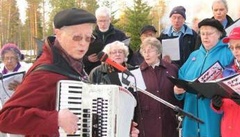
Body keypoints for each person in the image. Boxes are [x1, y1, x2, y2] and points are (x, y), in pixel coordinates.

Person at [0, 8, 139, 137]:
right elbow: (5, 118)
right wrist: (55, 119)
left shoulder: (72, 64)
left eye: (88, 38)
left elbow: (84, 115)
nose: (84, 44)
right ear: (58, 34)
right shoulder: (45, 73)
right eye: (77, 37)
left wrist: (118, 126)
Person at [173, 18, 233, 137]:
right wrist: (178, 91)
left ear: (219, 35)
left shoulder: (228, 54)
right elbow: (182, 77)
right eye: (203, 33)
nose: (205, 37)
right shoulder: (194, 55)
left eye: (209, 33)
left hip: (214, 114)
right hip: (191, 113)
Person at [135, 37, 181, 137]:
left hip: (168, 122)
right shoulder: (137, 73)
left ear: (158, 53)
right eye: (144, 51)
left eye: (150, 51)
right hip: (146, 124)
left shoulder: (172, 69)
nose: (146, 54)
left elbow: (179, 95)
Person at [83, 6, 128, 74]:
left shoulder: (120, 35)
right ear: (96, 20)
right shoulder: (88, 35)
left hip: (114, 72)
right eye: (100, 21)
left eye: (105, 21)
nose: (103, 24)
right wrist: (87, 59)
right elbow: (77, 52)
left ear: (110, 19)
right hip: (93, 72)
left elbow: (127, 54)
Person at [0, 43, 28, 137]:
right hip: (2, 109)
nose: (9, 61)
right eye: (6, 58)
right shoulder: (0, 71)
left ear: (17, 58)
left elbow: (32, 91)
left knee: (16, 133)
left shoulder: (25, 71)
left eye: (12, 58)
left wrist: (21, 88)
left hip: (19, 110)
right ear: (3, 59)